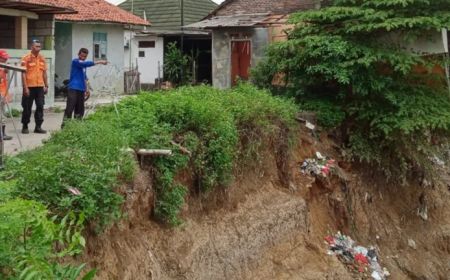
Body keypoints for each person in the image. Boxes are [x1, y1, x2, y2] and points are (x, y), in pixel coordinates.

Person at [62, 48, 107, 125]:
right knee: (70, 108)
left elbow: (85, 78)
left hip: (81, 89)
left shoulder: (83, 67)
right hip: (73, 88)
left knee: (80, 109)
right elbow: (85, 63)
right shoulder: (75, 62)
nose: (83, 58)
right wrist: (99, 61)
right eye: (82, 56)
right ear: (78, 54)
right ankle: (65, 126)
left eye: (85, 56)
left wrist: (87, 89)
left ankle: (77, 126)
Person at [21, 40, 48, 134]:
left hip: (40, 86)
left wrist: (46, 85)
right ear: (32, 47)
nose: (38, 48)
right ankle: (25, 126)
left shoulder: (42, 58)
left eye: (39, 46)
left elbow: (44, 73)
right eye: (36, 46)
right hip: (29, 87)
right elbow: (23, 74)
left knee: (40, 106)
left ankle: (38, 126)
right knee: (27, 107)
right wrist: (25, 87)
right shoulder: (26, 58)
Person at [0, 50, 12, 140]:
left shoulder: (3, 67)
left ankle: (3, 133)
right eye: (4, 58)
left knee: (3, 114)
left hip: (3, 93)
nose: (5, 59)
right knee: (1, 115)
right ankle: (2, 134)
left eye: (6, 58)